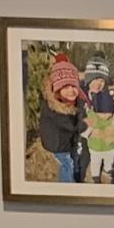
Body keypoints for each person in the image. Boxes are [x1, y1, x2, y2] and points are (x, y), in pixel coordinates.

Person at [35, 53, 90, 184]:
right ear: (57, 90)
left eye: (73, 86)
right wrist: (86, 124)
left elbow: (80, 107)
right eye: (65, 87)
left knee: (73, 158)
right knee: (67, 164)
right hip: (57, 143)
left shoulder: (70, 101)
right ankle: (67, 186)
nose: (71, 90)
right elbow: (72, 126)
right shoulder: (54, 109)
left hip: (65, 139)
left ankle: (74, 177)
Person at [81, 54, 114, 183]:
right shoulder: (82, 99)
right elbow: (78, 121)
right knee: (89, 158)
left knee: (108, 160)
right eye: (94, 79)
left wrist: (113, 130)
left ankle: (107, 171)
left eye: (102, 80)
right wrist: (90, 132)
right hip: (90, 140)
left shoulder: (108, 100)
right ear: (88, 80)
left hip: (106, 144)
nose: (98, 84)